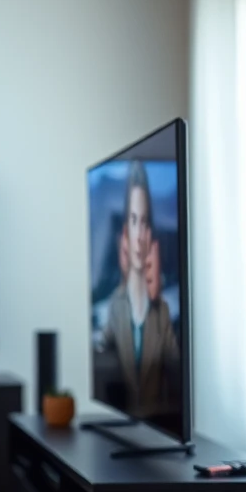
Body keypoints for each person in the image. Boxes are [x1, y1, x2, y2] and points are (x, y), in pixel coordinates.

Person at [100, 160, 179, 418]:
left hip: (159, 428)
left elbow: (177, 371)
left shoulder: (163, 313)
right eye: (134, 221)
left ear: (150, 232)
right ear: (126, 230)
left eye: (145, 222)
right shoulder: (115, 306)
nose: (139, 233)